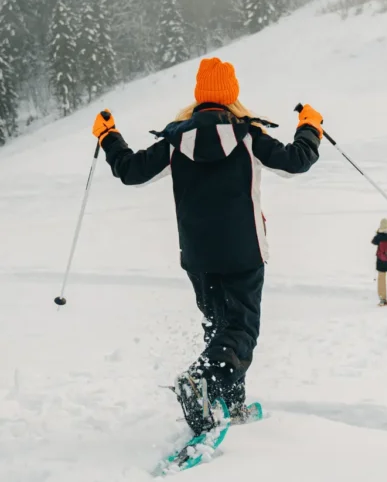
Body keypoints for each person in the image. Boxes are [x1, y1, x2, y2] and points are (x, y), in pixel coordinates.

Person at [92, 57, 323, 436]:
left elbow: (130, 171)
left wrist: (108, 136)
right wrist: (309, 125)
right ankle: (200, 382)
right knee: (240, 331)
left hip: (198, 256)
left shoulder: (174, 141)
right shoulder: (248, 136)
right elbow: (297, 161)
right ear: (231, 97)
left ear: (199, 97)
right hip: (244, 252)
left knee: (220, 327)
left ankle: (228, 403)